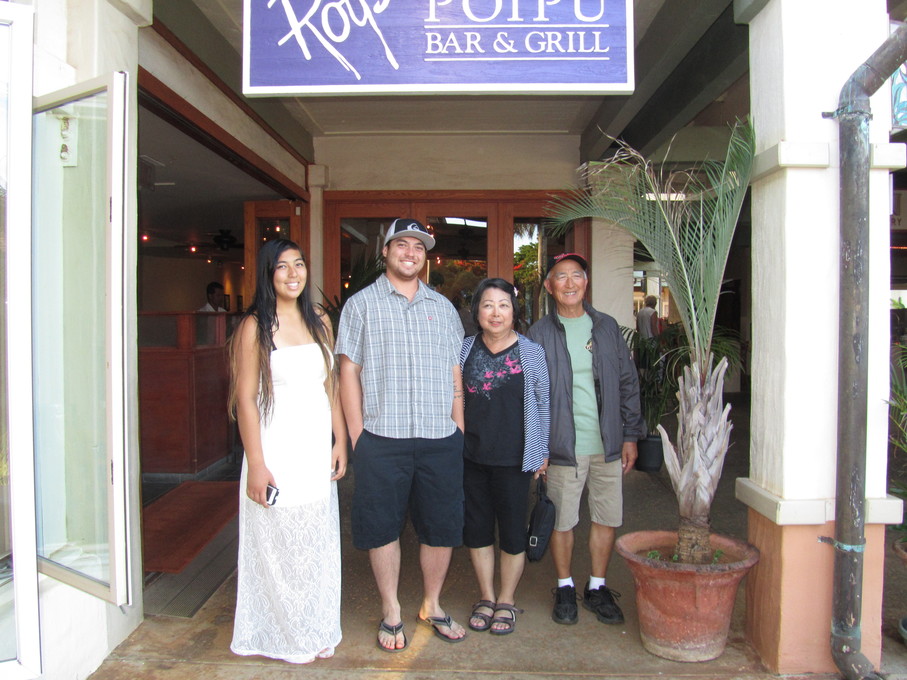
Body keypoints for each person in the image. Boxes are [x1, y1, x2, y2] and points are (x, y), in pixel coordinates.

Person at [336, 218, 467, 652]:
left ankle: (431, 603)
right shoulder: (360, 305)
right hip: (382, 438)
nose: (410, 252)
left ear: (425, 256)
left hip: (438, 437)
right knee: (381, 527)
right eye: (402, 244)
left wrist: (458, 428)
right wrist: (358, 435)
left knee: (441, 528)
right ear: (386, 250)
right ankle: (391, 609)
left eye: (418, 246)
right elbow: (348, 372)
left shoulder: (444, 309)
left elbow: (454, 374)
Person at [228, 239, 348, 664]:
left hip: (314, 449)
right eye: (282, 267)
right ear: (268, 274)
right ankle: (285, 633)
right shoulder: (254, 326)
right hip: (274, 447)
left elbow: (329, 384)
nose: (293, 274)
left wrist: (341, 439)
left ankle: (312, 625)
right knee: (277, 543)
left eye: (299, 265)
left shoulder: (319, 320)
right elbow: (245, 399)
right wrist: (257, 465)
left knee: (313, 540)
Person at [527, 252, 643, 627]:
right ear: (549, 286)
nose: (570, 282)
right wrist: (537, 448)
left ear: (586, 282)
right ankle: (564, 587)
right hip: (561, 448)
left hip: (607, 443)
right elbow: (529, 395)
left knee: (606, 517)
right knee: (562, 521)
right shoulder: (538, 334)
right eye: (561, 276)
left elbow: (627, 382)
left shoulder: (606, 327)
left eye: (577, 275)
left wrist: (630, 435)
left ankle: (597, 586)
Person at [459, 278, 549, 636]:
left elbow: (544, 402)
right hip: (471, 457)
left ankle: (507, 600)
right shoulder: (464, 349)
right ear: (477, 311)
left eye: (503, 305)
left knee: (512, 533)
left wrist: (542, 451)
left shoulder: (531, 352)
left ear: (514, 312)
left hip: (515, 460)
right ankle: (486, 596)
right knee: (478, 531)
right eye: (487, 305)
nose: (495, 313)